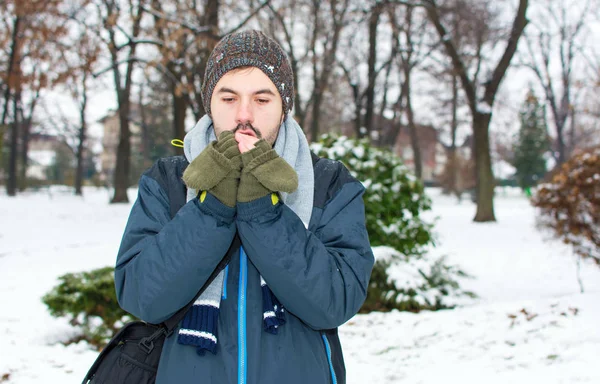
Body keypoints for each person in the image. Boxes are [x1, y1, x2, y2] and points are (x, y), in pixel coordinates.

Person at [115, 29, 374, 384]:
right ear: (210, 103)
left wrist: (263, 212)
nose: (244, 115)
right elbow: (142, 296)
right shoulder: (169, 181)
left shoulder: (329, 183)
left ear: (284, 108)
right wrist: (211, 208)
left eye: (262, 99)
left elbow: (334, 301)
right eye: (228, 98)